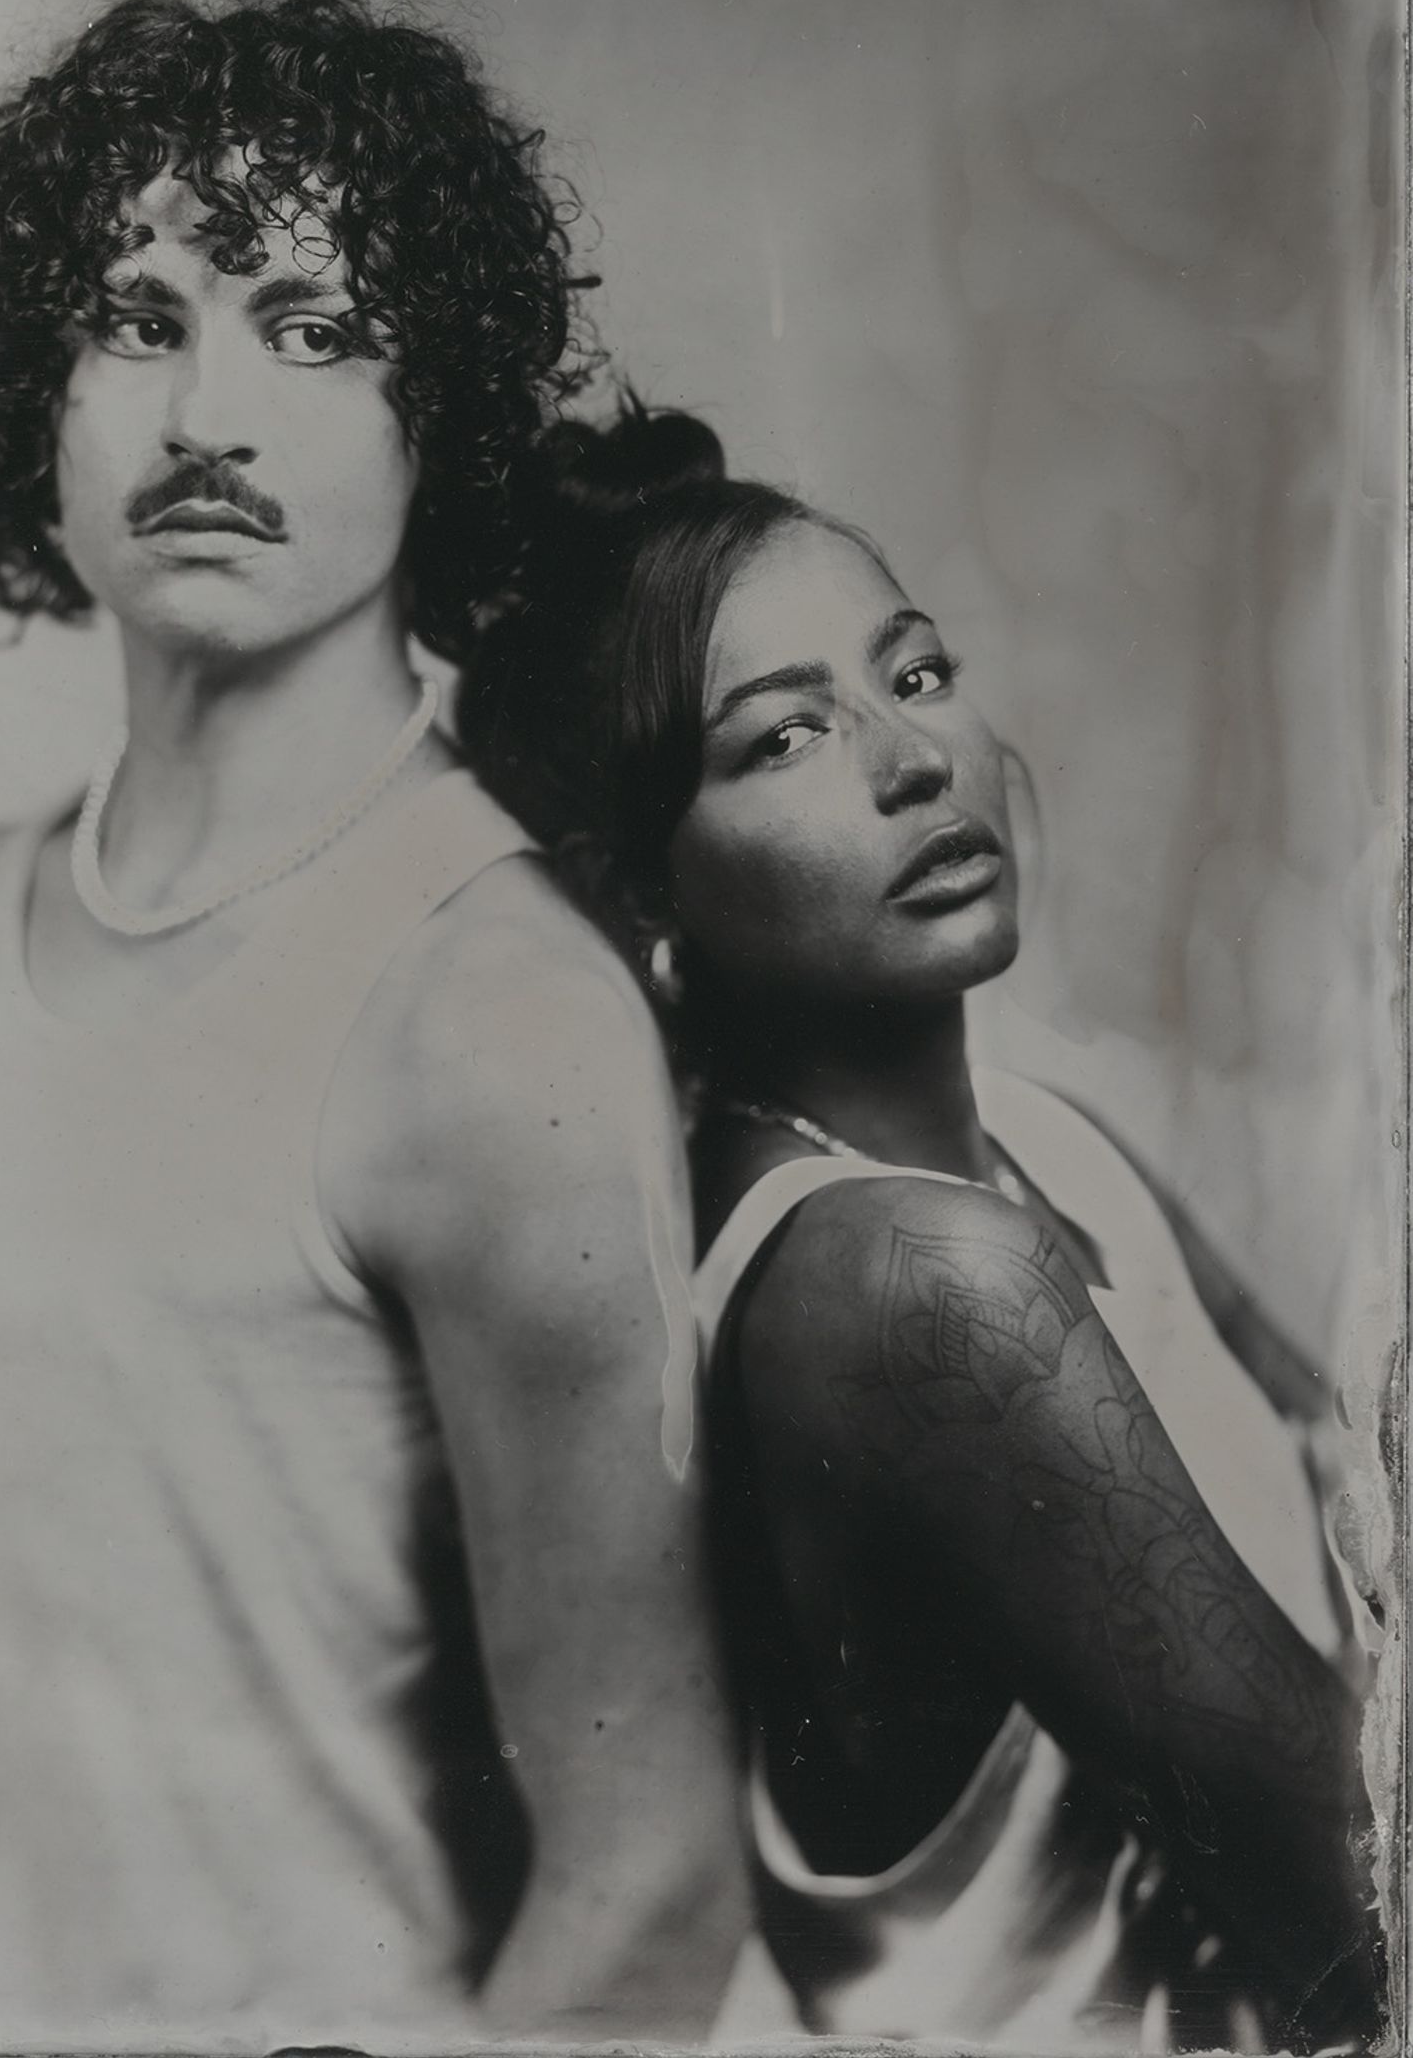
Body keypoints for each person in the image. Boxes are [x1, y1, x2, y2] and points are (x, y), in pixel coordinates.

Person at [0, 0, 746, 2054]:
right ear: (29, 400)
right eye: (136, 318)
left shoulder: (492, 1011)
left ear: (436, 424)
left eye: (315, 330)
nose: (208, 411)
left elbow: (649, 1887)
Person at [457, 404, 1386, 2055]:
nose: (913, 759)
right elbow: (1373, 1902)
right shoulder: (910, 1287)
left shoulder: (1041, 1141)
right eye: (784, 739)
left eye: (919, 672)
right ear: (639, 896)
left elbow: (1356, 1491)